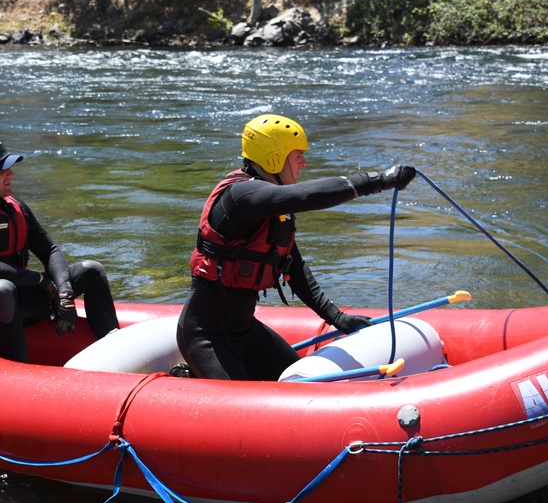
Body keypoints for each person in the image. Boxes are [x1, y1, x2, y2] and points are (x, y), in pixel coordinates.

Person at [176, 114, 415, 380]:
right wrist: (379, 180)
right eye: (297, 154)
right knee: (248, 413)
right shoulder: (241, 197)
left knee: (303, 389)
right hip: (207, 337)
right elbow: (304, 195)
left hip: (246, 332)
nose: (304, 162)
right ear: (274, 157)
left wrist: (336, 317)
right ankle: (189, 378)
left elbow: (296, 269)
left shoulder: (273, 210)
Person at [0, 130, 119, 363]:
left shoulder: (14, 206)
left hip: (15, 302)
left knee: (91, 270)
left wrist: (64, 291)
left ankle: (119, 351)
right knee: (1, 289)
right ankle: (19, 373)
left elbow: (49, 250)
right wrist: (41, 282)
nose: (11, 174)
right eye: (1, 170)